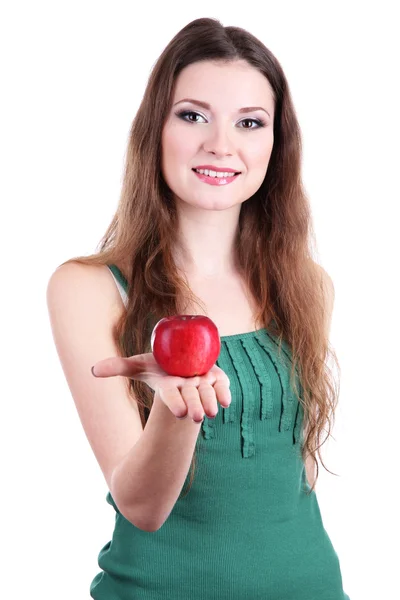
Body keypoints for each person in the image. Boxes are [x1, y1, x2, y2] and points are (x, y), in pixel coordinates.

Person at [46, 17, 351, 600]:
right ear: (155, 128)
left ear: (274, 144)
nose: (221, 145)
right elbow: (141, 509)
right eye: (193, 115)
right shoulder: (89, 288)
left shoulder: (309, 286)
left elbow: (297, 477)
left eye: (249, 123)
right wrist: (178, 407)